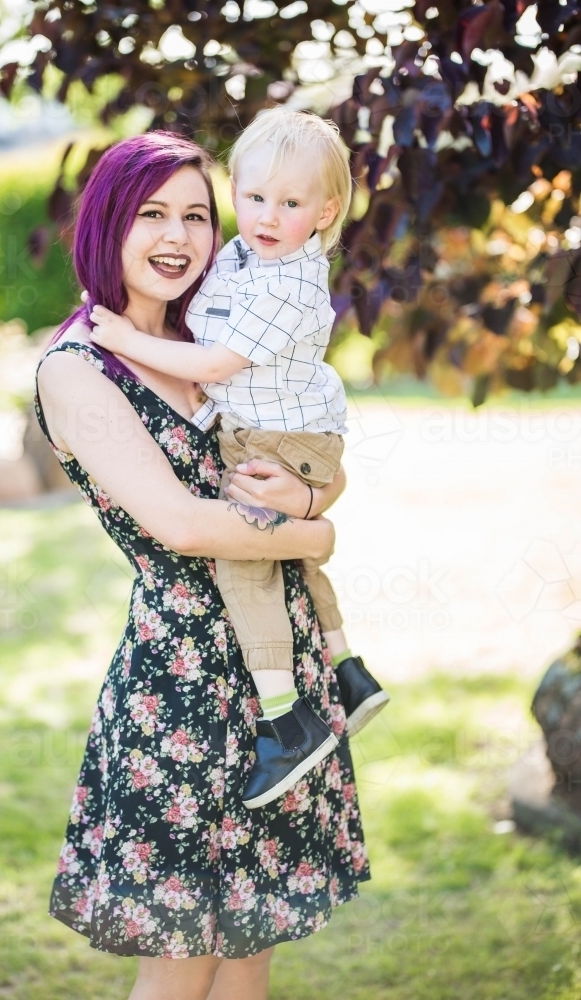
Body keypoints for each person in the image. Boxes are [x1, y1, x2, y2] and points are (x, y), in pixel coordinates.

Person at [35, 131, 370, 1000]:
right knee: (181, 969)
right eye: (151, 214)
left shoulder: (210, 335)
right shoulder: (79, 369)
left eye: (194, 213)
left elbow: (314, 470)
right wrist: (313, 540)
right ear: (107, 223)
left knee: (250, 951)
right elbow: (182, 525)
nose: (177, 235)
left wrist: (305, 505)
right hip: (181, 688)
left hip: (280, 684)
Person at [88, 109, 389, 810]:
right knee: (288, 559)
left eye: (289, 203)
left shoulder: (285, 280)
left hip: (282, 438)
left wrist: (122, 337)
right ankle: (348, 672)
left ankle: (287, 718)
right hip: (277, 440)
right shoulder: (243, 256)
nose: (265, 215)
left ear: (324, 212)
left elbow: (217, 360)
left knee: (250, 569)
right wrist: (314, 525)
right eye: (252, 198)